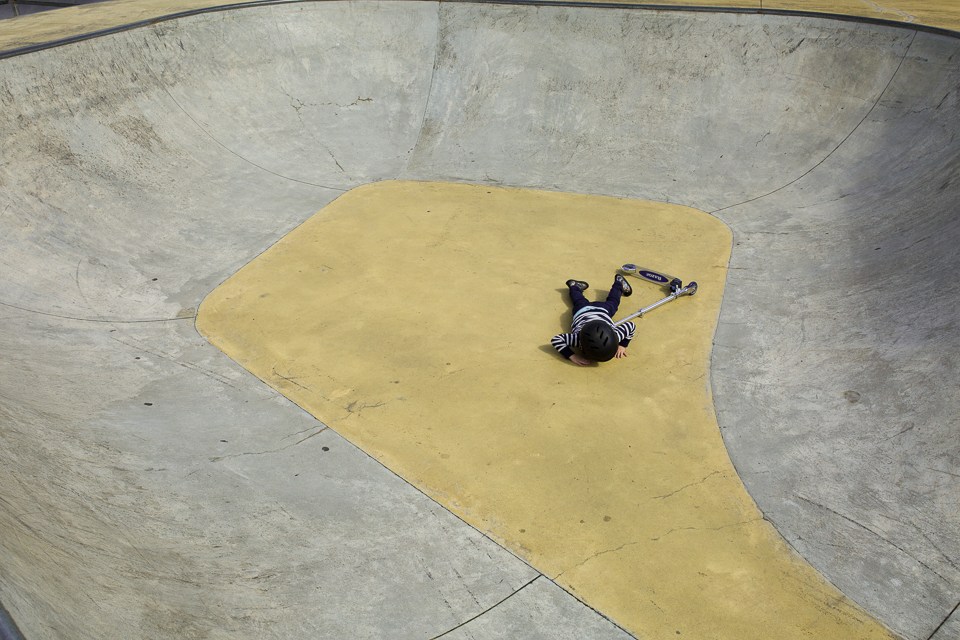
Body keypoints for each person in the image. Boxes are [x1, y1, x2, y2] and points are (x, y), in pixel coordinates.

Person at [551, 275, 636, 366]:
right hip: (584, 310)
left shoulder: (616, 335)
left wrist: (622, 345)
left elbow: (631, 326)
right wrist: (572, 356)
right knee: (579, 300)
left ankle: (618, 283)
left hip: (596, 310)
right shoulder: (578, 339)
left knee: (613, 301)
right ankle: (574, 286)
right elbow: (556, 340)